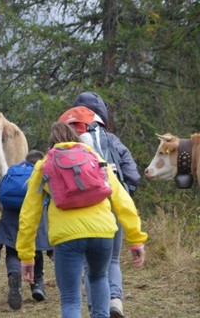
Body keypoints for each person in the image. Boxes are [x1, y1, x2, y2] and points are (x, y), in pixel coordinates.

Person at [17, 122, 147, 318]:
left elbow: (29, 214)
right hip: (103, 233)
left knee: (70, 297)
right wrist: (136, 239)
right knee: (99, 278)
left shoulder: (44, 166)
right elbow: (122, 199)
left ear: (51, 144)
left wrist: (27, 256)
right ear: (77, 138)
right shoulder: (95, 158)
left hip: (66, 237)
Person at [71, 91, 141, 317]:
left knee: (88, 265)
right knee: (112, 259)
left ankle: (95, 310)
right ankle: (115, 301)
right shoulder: (113, 140)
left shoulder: (68, 140)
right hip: (112, 203)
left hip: (83, 209)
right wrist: (122, 194)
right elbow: (133, 175)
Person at [0, 150, 52, 310]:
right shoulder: (42, 172)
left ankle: (14, 274)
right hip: (35, 217)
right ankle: (37, 285)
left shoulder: (13, 171)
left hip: (10, 217)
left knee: (12, 251)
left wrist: (0, 206)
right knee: (36, 251)